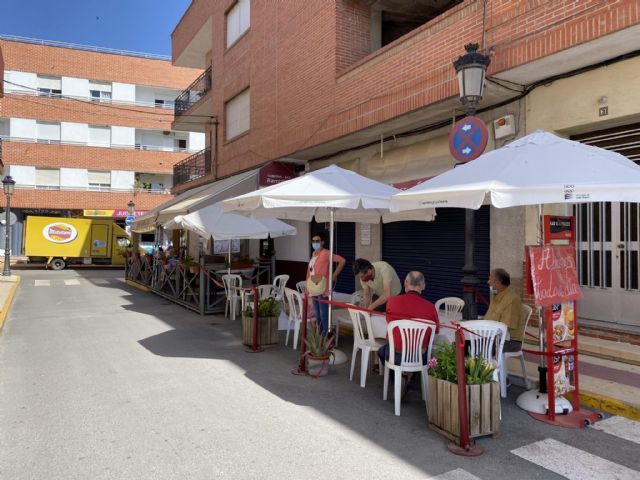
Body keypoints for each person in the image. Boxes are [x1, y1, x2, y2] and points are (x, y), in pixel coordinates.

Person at [378, 271, 440, 368]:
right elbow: (436, 332)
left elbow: (389, 321)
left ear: (405, 283)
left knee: (381, 351)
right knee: (432, 354)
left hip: (396, 356)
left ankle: (398, 375)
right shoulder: (431, 307)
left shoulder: (392, 302)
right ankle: (411, 375)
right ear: (423, 286)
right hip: (420, 357)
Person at [306, 231, 346, 335]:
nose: (315, 243)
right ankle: (319, 334)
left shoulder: (326, 253)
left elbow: (342, 261)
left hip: (323, 288)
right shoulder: (314, 254)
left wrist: (334, 275)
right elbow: (310, 272)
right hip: (313, 287)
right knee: (317, 314)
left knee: (324, 314)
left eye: (317, 241)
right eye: (313, 241)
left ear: (322, 242)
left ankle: (325, 335)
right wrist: (307, 287)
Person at [484, 268, 523, 353]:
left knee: (472, 347)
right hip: (491, 336)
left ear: (498, 282)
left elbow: (505, 327)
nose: (488, 282)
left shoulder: (512, 299)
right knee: (462, 343)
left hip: (508, 341)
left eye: (490, 279)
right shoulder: (496, 296)